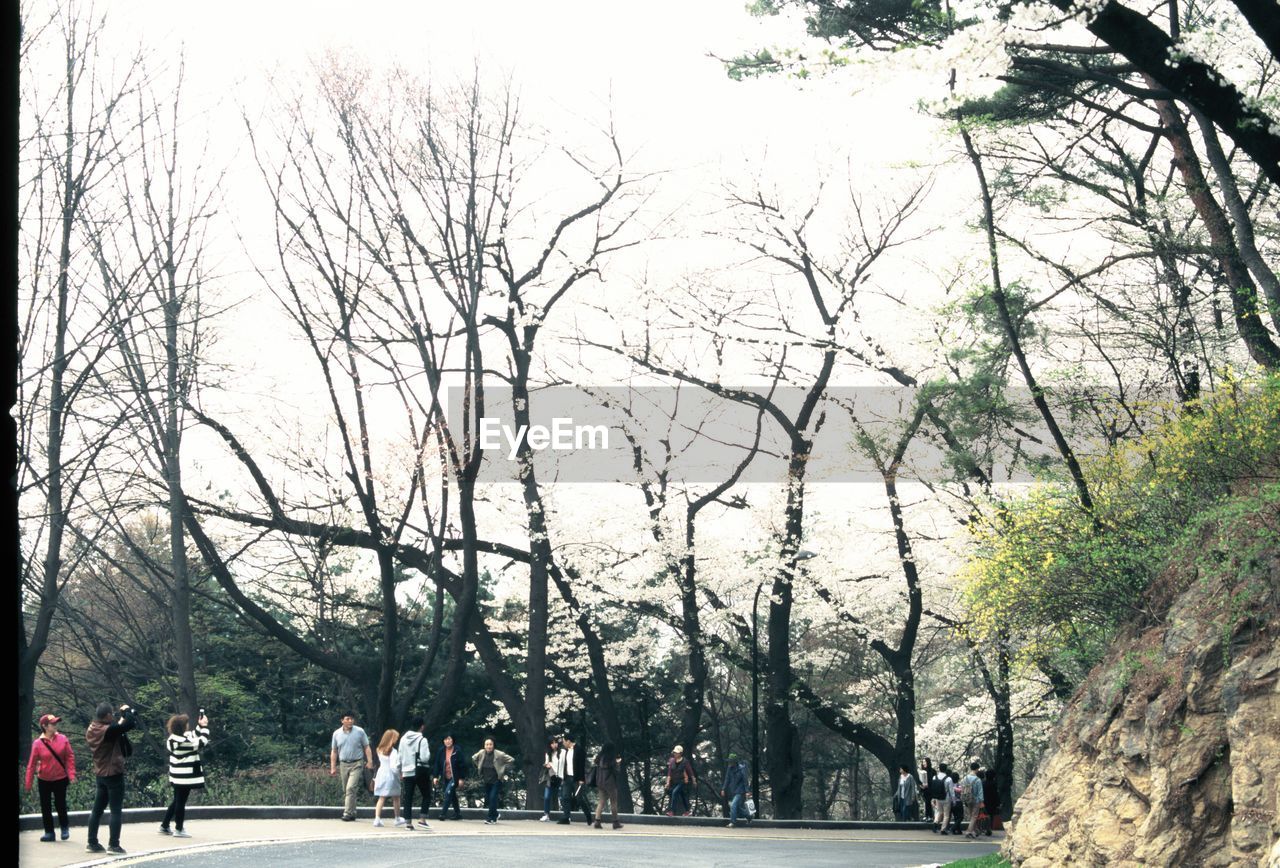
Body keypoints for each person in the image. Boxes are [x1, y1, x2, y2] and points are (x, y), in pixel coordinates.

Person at [84, 702, 138, 855]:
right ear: (107, 715)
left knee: (97, 810)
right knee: (115, 811)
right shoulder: (108, 731)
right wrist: (127, 710)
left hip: (100, 774)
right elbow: (128, 724)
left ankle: (92, 842)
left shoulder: (93, 728)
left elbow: (118, 727)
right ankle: (114, 845)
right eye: (112, 714)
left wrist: (122, 717)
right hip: (113, 773)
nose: (113, 715)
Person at [25, 713, 76, 842]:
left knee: (60, 804)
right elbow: (31, 764)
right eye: (52, 724)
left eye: (55, 723)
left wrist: (71, 775)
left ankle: (64, 827)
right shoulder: (37, 743)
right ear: (45, 726)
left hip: (60, 778)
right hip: (44, 779)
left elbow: (69, 758)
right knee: (45, 806)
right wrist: (28, 783)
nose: (55, 725)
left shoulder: (63, 739)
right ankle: (49, 832)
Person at [160, 711, 210, 838]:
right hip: (185, 777)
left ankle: (165, 826)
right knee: (180, 802)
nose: (188, 726)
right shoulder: (185, 742)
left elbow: (193, 735)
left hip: (176, 776)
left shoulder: (172, 739)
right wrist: (204, 727)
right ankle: (179, 828)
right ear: (183, 727)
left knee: (177, 800)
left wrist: (200, 726)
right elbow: (201, 741)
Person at [329, 711, 373, 822]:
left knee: (350, 788)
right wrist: (333, 767)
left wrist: (370, 761)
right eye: (348, 719)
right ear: (342, 720)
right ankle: (353, 812)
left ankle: (347, 813)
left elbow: (366, 747)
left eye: (352, 719)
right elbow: (334, 751)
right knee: (346, 790)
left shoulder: (360, 731)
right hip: (343, 764)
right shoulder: (336, 734)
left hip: (357, 763)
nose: (350, 721)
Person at [472, 737, 515, 825]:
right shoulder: (481, 753)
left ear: (493, 745)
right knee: (489, 799)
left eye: (490, 744)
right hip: (486, 779)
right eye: (487, 744)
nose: (489, 746)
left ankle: (490, 818)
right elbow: (473, 758)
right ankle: (495, 814)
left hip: (496, 780)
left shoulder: (499, 754)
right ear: (484, 746)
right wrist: (479, 766)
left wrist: (503, 769)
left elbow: (511, 760)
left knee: (492, 798)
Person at [399, 718, 431, 830]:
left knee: (408, 797)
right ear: (422, 727)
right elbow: (425, 757)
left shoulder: (403, 739)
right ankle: (422, 819)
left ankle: (408, 823)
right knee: (427, 794)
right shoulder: (422, 740)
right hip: (419, 771)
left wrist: (401, 770)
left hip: (407, 772)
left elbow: (400, 757)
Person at [555, 734, 591, 825]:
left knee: (579, 798)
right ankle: (566, 817)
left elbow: (582, 766)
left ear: (568, 741)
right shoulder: (565, 751)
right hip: (567, 777)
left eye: (564, 741)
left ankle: (588, 816)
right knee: (565, 797)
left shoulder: (579, 750)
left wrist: (582, 779)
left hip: (577, 778)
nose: (563, 743)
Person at [372, 729, 403, 827]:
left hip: (381, 773)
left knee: (381, 797)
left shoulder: (379, 749)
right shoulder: (393, 751)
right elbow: (394, 767)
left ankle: (377, 819)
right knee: (396, 797)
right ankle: (397, 818)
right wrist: (400, 774)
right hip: (391, 775)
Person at [433, 733, 468, 820]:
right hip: (446, 777)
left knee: (448, 792)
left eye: (449, 739)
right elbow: (437, 764)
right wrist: (435, 776)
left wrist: (461, 778)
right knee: (452, 794)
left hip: (455, 777)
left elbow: (463, 765)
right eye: (445, 739)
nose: (447, 741)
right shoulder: (441, 751)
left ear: (453, 740)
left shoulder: (457, 750)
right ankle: (458, 813)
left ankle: (443, 814)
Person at [591, 743, 624, 830]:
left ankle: (597, 821)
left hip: (600, 782)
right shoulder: (612, 759)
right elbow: (617, 771)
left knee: (601, 802)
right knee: (613, 802)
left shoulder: (599, 758)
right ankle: (615, 822)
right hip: (610, 783)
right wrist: (618, 763)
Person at [721, 753, 751, 828]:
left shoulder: (742, 768)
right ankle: (749, 816)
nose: (730, 763)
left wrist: (747, 791)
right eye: (729, 761)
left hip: (741, 791)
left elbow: (745, 780)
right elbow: (727, 779)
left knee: (733, 805)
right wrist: (723, 789)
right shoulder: (729, 768)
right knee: (738, 808)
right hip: (733, 790)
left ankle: (733, 822)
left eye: (731, 761)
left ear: (735, 762)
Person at [665, 745, 696, 817]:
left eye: (677, 753)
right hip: (674, 782)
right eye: (674, 752)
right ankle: (688, 811)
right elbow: (669, 773)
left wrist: (694, 781)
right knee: (682, 796)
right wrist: (667, 782)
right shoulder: (671, 761)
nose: (675, 754)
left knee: (674, 792)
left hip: (682, 782)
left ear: (681, 753)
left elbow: (690, 772)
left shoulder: (685, 762)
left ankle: (672, 811)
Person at [960, 762, 986, 839]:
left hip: (967, 799)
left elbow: (962, 788)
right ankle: (968, 831)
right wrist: (981, 801)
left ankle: (974, 831)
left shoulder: (965, 778)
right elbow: (980, 792)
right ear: (977, 769)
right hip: (976, 800)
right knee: (974, 816)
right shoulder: (977, 780)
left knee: (971, 816)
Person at [539, 736, 561, 821]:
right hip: (551, 777)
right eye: (552, 743)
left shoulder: (561, 753)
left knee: (562, 797)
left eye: (555, 742)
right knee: (547, 796)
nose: (554, 745)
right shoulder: (548, 753)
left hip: (560, 776)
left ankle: (566, 815)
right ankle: (546, 814)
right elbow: (546, 763)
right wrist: (546, 765)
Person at [934, 763, 955, 835]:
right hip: (946, 798)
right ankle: (943, 829)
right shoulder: (948, 779)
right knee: (946, 814)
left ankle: (935, 823)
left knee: (939, 811)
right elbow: (951, 791)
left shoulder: (934, 777)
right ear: (946, 769)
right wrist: (954, 800)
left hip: (937, 798)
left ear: (939, 768)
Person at [917, 758, 936, 823]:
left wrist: (929, 785)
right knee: (926, 803)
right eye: (923, 762)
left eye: (925, 762)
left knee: (929, 803)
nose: (924, 763)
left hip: (931, 789)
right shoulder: (922, 771)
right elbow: (919, 781)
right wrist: (921, 786)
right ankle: (927, 816)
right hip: (924, 790)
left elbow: (934, 780)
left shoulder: (932, 771)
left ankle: (930, 816)